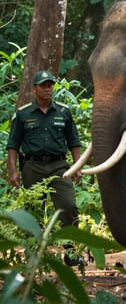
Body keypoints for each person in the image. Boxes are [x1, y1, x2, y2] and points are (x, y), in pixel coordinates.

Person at [6, 70, 84, 265]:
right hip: (33, 166)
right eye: (43, 85)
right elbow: (13, 144)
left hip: (60, 167)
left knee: (68, 206)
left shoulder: (63, 111)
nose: (48, 89)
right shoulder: (23, 114)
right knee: (33, 210)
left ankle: (71, 253)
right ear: (34, 88)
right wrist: (13, 170)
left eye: (50, 85)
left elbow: (73, 141)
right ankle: (34, 254)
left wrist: (78, 166)